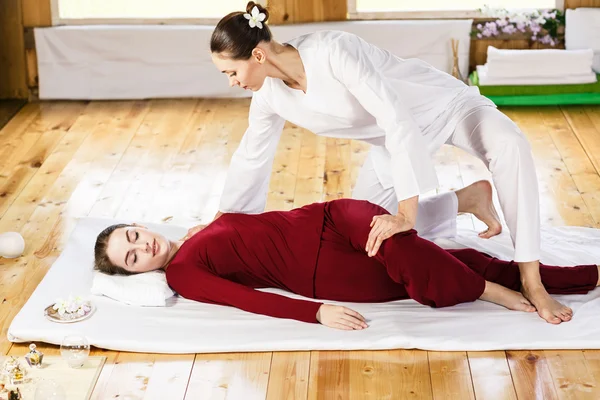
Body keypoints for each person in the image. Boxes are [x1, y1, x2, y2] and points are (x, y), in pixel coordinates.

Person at [205, 2, 568, 324]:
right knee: (370, 244)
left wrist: (406, 214)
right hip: (389, 145)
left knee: (510, 144)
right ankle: (465, 201)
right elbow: (252, 155)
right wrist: (224, 221)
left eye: (230, 72)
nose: (232, 83)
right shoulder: (269, 96)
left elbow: (397, 118)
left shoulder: (333, 51)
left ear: (257, 56)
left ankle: (532, 280)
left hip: (445, 107)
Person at [93, 194, 598, 331]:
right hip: (326, 272)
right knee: (456, 259)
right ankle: (516, 286)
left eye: (134, 236)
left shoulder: (194, 228)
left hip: (333, 216)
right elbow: (248, 300)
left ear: (141, 224)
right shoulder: (183, 275)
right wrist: (314, 312)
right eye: (131, 258)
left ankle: (525, 284)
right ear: (136, 273)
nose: (143, 248)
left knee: (399, 237)